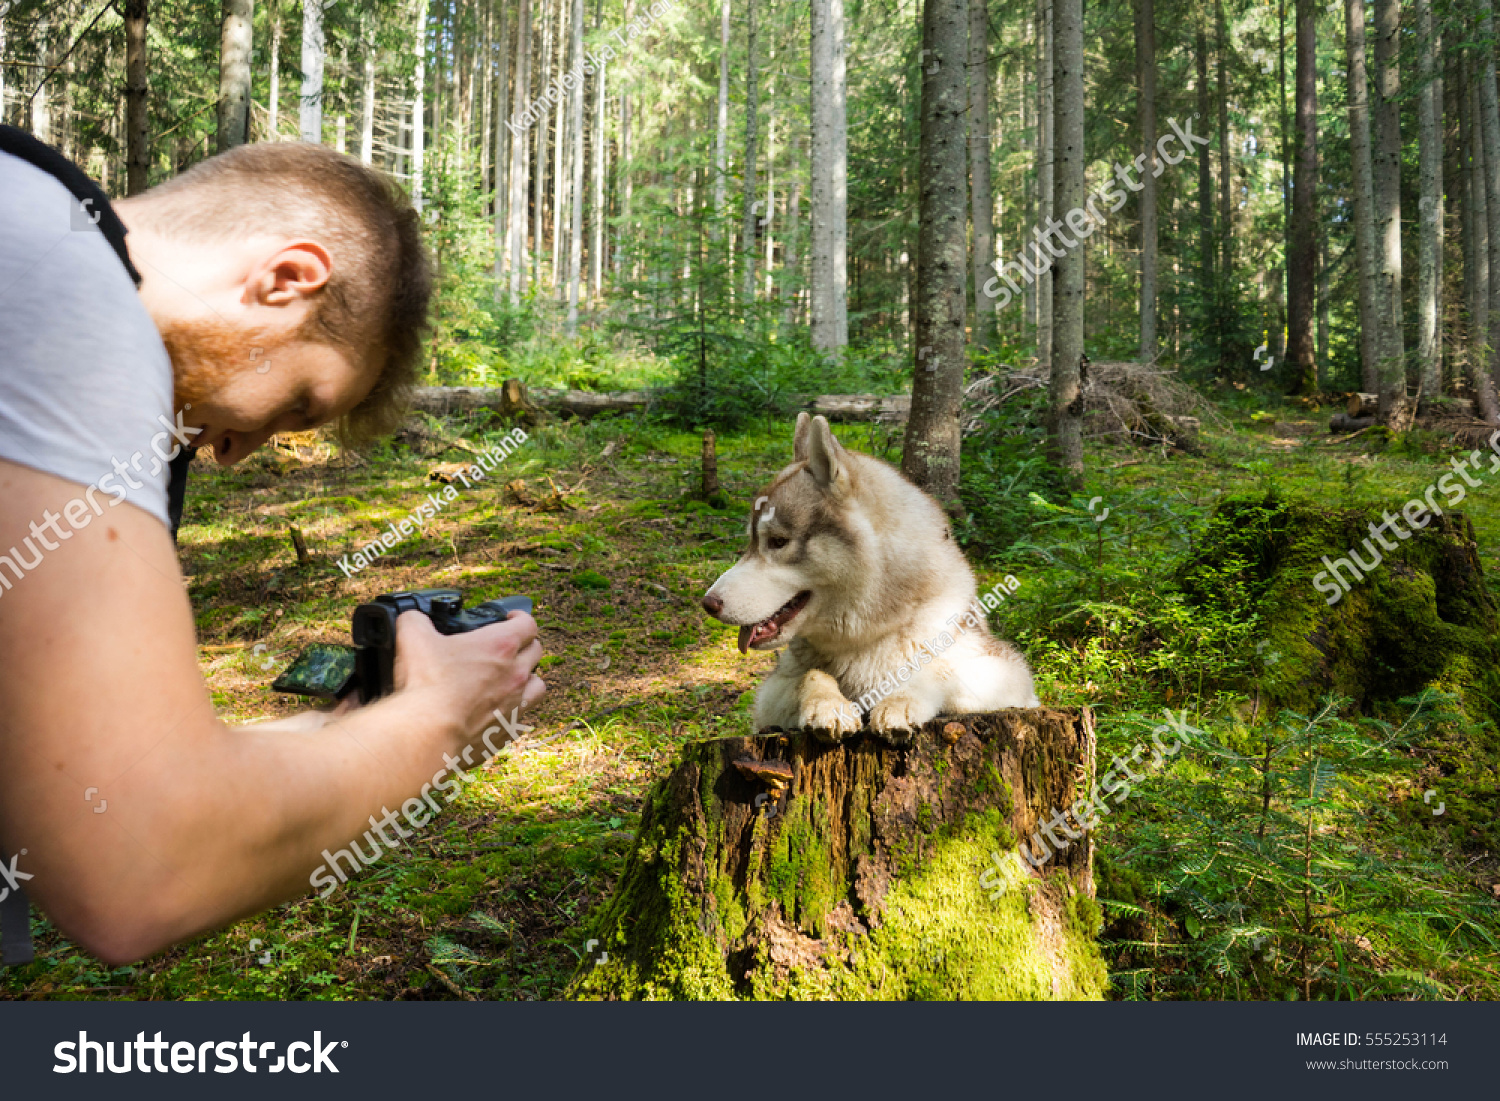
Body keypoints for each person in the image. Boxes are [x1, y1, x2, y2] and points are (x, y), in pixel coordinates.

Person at [0, 130, 546, 966]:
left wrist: (347, 737)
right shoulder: (76, 297)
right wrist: (440, 723)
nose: (239, 450)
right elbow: (141, 866)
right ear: (287, 280)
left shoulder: (24, 215)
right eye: (297, 403)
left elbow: (66, 779)